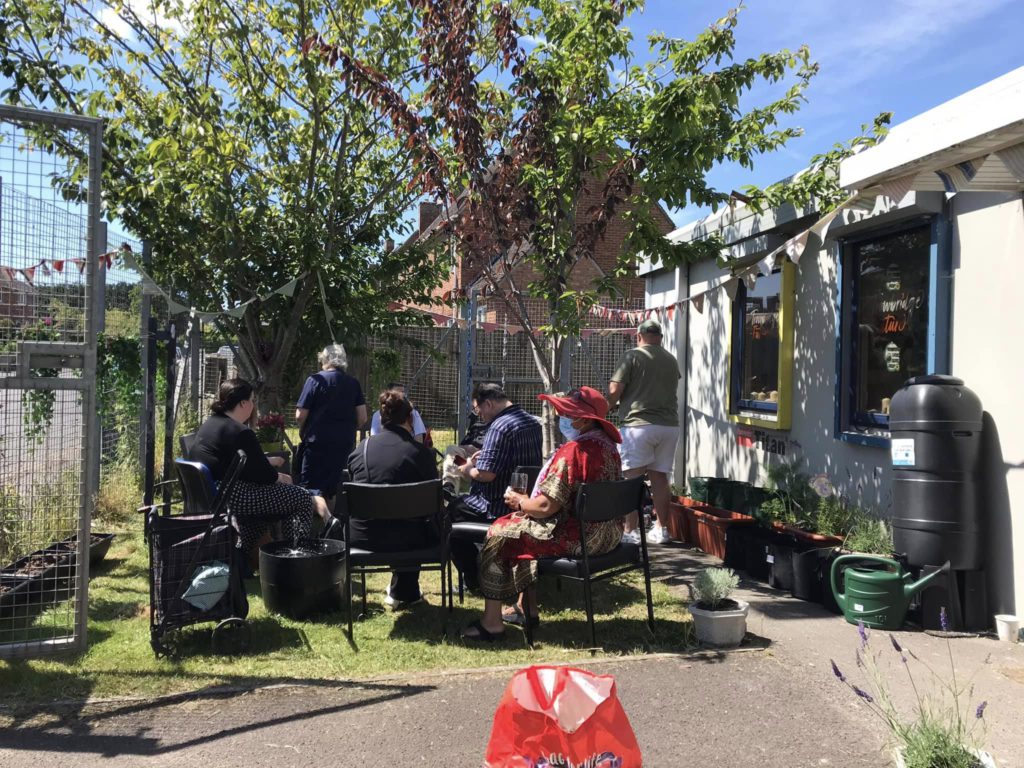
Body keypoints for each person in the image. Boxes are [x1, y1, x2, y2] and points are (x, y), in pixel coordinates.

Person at [461, 387, 623, 641]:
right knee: (519, 528)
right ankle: (527, 608)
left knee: (499, 532)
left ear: (583, 418)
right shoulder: (608, 446)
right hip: (608, 532)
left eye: (567, 412)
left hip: (582, 537)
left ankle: (492, 622)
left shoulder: (574, 452)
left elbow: (546, 507)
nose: (561, 416)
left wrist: (520, 501)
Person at [192, 378, 333, 555]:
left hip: (216, 494)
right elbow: (265, 476)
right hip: (234, 498)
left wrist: (268, 463)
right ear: (243, 403)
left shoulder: (210, 425)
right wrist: (281, 478)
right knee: (301, 498)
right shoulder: (240, 432)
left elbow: (236, 461)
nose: (253, 405)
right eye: (252, 400)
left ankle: (249, 557)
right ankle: (296, 557)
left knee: (263, 517)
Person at [347, 390, 440, 609]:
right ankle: (405, 591)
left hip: (364, 536)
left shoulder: (361, 451)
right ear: (410, 420)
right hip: (413, 541)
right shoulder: (422, 454)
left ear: (380, 418)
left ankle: (404, 591)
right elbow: (434, 502)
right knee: (412, 521)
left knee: (402, 520)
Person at [448, 383, 543, 589]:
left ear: (488, 403)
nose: (479, 415)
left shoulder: (499, 426)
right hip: (525, 502)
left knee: (449, 514)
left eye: (477, 409)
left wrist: (467, 469)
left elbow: (486, 475)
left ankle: (474, 578)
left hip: (496, 506)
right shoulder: (531, 422)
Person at [607, 319, 680, 545]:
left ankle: (631, 531)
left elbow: (614, 391)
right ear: (660, 337)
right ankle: (661, 529)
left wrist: (602, 409)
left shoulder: (632, 356)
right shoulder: (670, 359)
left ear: (638, 336)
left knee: (632, 477)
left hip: (638, 425)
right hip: (669, 426)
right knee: (660, 477)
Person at [295, 343, 368, 499]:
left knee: (310, 486)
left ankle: (314, 520)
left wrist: (304, 428)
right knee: (337, 484)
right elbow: (362, 417)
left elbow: (300, 415)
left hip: (317, 442)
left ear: (325, 359)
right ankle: (335, 518)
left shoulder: (315, 380)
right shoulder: (353, 383)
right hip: (344, 442)